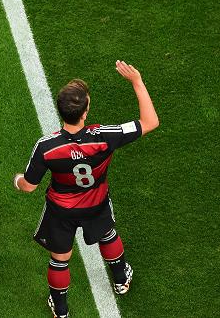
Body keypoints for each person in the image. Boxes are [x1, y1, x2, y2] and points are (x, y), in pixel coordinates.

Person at [13, 61, 159, 318]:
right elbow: (150, 122)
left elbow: (28, 186)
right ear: (85, 111)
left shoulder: (46, 147)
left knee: (60, 259)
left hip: (61, 210)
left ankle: (60, 310)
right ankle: (121, 279)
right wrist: (137, 81)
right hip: (97, 203)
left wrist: (17, 180)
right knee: (107, 235)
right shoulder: (105, 135)